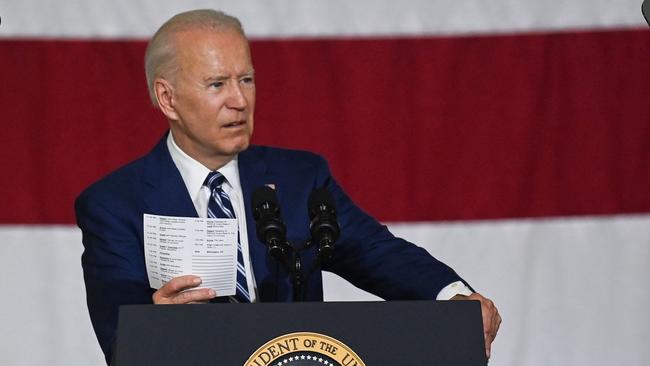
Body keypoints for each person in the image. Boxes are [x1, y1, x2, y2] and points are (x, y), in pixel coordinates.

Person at [75, 9, 501, 364]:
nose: (239, 101)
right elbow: (118, 333)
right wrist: (154, 321)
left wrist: (453, 296)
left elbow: (376, 252)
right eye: (217, 84)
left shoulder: (299, 179)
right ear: (167, 99)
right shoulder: (116, 204)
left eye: (246, 79)